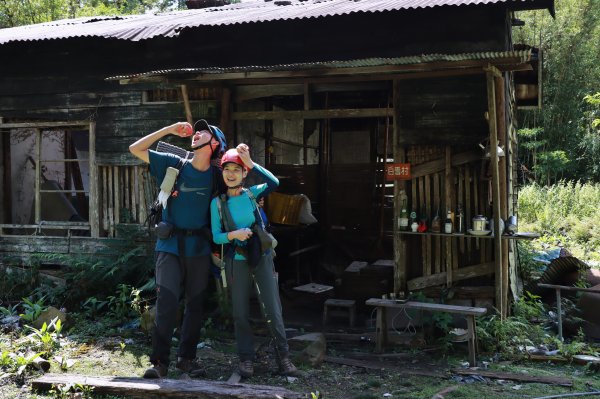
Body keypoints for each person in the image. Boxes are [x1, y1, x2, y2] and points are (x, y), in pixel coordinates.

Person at [129, 120, 226, 379]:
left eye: (204, 132)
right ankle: (160, 362)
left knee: (195, 305)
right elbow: (135, 148)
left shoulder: (218, 176)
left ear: (214, 144)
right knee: (167, 304)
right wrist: (169, 130)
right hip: (169, 246)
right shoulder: (173, 163)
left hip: (199, 248)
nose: (196, 133)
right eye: (197, 131)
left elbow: (255, 182)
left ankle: (187, 359)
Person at [210, 145, 298, 378]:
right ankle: (246, 359)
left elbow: (274, 183)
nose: (230, 174)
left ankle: (284, 358)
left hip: (263, 257)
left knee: (272, 308)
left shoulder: (252, 194)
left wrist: (250, 160)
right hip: (237, 260)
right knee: (240, 312)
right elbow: (216, 235)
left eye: (236, 170)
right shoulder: (217, 203)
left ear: (244, 173)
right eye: (226, 169)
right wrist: (234, 235)